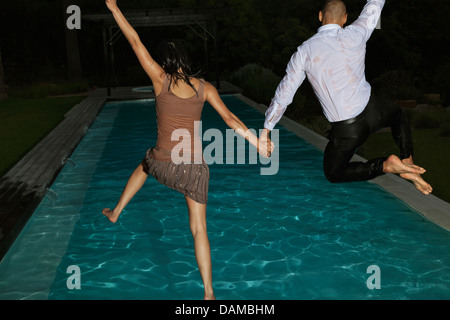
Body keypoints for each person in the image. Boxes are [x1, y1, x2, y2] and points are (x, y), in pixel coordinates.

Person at [102, 0, 273, 300]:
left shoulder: (159, 79)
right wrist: (258, 142)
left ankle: (116, 211)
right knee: (198, 229)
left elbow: (133, 40)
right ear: (186, 60)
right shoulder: (205, 87)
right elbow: (231, 120)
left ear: (166, 62)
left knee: (145, 163)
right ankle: (208, 293)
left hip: (164, 165)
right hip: (195, 171)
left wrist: (115, 9)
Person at [260, 0, 432, 195]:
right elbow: (374, 6)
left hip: (348, 130)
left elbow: (285, 92)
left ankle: (387, 166)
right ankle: (407, 159)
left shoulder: (304, 52)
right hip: (373, 110)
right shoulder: (355, 33)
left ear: (319, 16)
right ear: (344, 19)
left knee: (333, 173)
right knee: (398, 114)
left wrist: (267, 130)